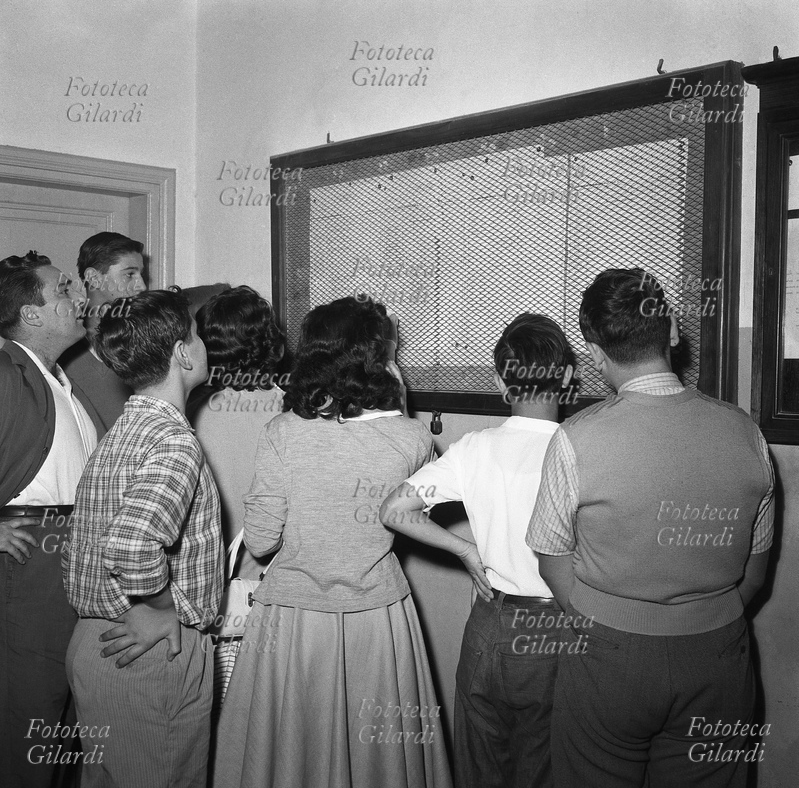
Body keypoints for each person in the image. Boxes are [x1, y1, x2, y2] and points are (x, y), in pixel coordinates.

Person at [527, 268, 774, 788]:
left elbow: (553, 565)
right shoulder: (747, 433)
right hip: (719, 656)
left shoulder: (575, 439)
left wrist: (606, 621)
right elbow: (755, 572)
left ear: (594, 353)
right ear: (675, 333)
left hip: (607, 658)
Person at [213, 296, 453, 788]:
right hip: (379, 617)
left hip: (294, 619)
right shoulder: (413, 439)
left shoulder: (283, 431)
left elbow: (259, 543)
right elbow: (411, 515)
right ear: (380, 358)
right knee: (379, 760)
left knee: (286, 752)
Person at [380, 313, 576, 788]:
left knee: (480, 768)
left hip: (489, 625)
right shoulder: (583, 449)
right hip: (559, 628)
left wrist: (466, 550)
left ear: (499, 381)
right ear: (568, 376)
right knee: (547, 768)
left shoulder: (476, 447)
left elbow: (393, 510)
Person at [62, 289, 224, 787]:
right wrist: (161, 607)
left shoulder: (124, 430)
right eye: (196, 335)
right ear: (181, 353)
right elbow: (132, 544)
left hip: (98, 643)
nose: (202, 346)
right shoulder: (174, 441)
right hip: (148, 652)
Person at [0, 251, 99, 788]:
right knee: (29, 718)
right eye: (63, 290)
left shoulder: (59, 376)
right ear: (31, 314)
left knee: (64, 724)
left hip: (73, 557)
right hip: (31, 560)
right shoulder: (3, 371)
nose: (78, 299)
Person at [192, 285, 287, 563]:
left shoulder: (192, 414)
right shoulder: (295, 410)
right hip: (279, 576)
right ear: (273, 345)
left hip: (213, 575)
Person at [60, 231, 147, 436]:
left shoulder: (143, 335)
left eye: (141, 274)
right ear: (94, 278)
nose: (142, 286)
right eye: (129, 274)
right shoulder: (65, 346)